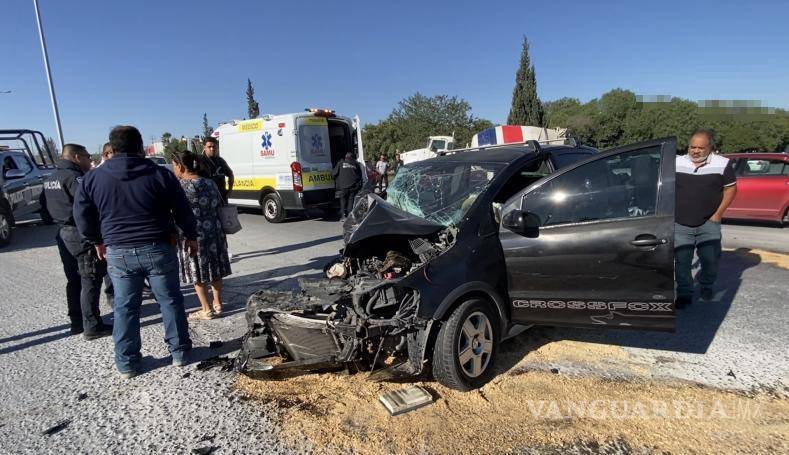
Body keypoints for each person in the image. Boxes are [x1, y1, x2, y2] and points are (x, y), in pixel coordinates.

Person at [74, 126, 198, 378]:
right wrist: (191, 235)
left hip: (118, 252)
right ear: (140, 147)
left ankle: (128, 363)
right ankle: (180, 353)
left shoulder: (93, 178)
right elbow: (181, 208)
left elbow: (81, 214)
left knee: (125, 307)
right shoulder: (159, 174)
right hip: (157, 247)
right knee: (170, 301)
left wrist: (96, 240)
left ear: (112, 147)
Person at [44, 144, 113, 339]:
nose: (89, 159)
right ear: (76, 157)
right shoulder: (75, 178)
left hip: (62, 232)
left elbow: (43, 207)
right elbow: (88, 205)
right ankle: (92, 325)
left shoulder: (51, 178)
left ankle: (76, 321)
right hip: (79, 233)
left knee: (73, 279)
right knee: (90, 277)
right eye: (86, 156)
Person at [674, 128, 737, 308]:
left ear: (710, 147)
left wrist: (717, 214)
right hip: (680, 223)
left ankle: (706, 285)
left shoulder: (722, 164)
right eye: (692, 147)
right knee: (682, 261)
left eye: (700, 148)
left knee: (710, 259)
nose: (695, 151)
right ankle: (684, 293)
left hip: (709, 223)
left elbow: (731, 189)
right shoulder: (676, 162)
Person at [171, 150, 232, 320]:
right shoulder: (210, 183)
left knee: (197, 271)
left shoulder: (180, 186)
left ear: (180, 166)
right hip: (214, 232)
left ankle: (206, 309)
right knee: (215, 268)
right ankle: (218, 304)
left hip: (192, 236)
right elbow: (219, 204)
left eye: (174, 165)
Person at [199, 137, 234, 203]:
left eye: (214, 146)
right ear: (204, 147)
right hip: (207, 200)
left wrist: (230, 190)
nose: (212, 149)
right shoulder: (200, 161)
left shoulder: (221, 161)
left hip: (221, 199)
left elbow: (230, 174)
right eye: (209, 147)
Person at [332, 152, 362, 220]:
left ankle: (343, 216)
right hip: (353, 187)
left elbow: (334, 173)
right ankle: (349, 216)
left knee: (343, 201)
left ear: (345, 158)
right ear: (352, 158)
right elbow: (359, 176)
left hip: (343, 186)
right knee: (350, 201)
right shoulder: (356, 164)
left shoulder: (340, 163)